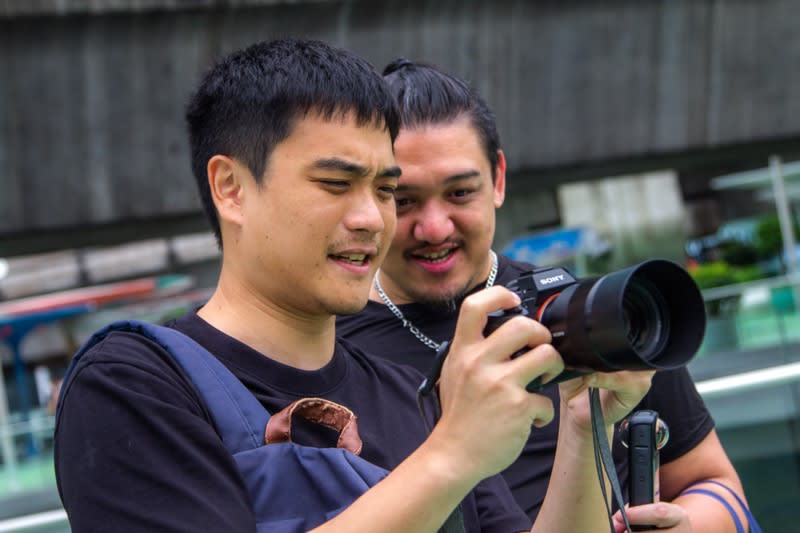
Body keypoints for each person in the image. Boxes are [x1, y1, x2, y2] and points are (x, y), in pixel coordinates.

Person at [54, 38, 653, 532]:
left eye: (384, 189)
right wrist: (453, 454)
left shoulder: (409, 394)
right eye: (336, 184)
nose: (372, 218)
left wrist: (583, 424)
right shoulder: (134, 383)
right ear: (231, 187)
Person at [337, 58, 751, 532]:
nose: (434, 228)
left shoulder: (600, 314)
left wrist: (686, 526)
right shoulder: (324, 349)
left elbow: (715, 483)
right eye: (405, 200)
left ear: (497, 179)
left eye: (459, 193)